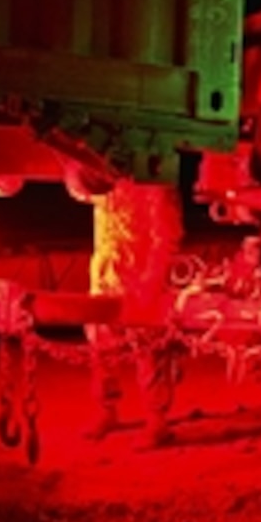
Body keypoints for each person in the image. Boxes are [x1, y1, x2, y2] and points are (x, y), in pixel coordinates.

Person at [85, 178, 182, 449]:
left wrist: (154, 280)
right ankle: (106, 411)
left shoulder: (155, 179)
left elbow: (167, 235)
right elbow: (81, 188)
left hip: (140, 279)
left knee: (149, 350)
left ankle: (156, 420)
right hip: (106, 274)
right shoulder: (104, 178)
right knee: (100, 348)